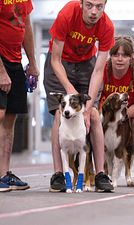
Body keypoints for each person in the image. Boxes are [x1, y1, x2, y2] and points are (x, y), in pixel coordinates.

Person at [43, 0, 114, 192]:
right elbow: (55, 60)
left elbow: (99, 70)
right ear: (81, 4)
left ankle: (100, 173)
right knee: (61, 114)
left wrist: (88, 107)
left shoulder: (106, 26)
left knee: (93, 116)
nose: (94, 11)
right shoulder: (67, 14)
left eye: (99, 7)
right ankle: (59, 174)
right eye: (89, 5)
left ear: (105, 6)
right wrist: (70, 89)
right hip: (60, 63)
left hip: (86, 64)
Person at [100, 35, 134, 187]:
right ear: (110, 56)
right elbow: (97, 99)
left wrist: (121, 117)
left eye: (124, 55)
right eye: (116, 54)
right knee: (96, 121)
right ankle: (99, 171)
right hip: (110, 108)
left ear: (132, 57)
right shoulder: (102, 70)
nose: (119, 59)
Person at [0, 0, 39, 192]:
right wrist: (0, 71)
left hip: (15, 60)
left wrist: (32, 62)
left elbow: (27, 27)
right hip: (1, 60)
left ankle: (4, 174)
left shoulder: (25, 1)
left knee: (10, 118)